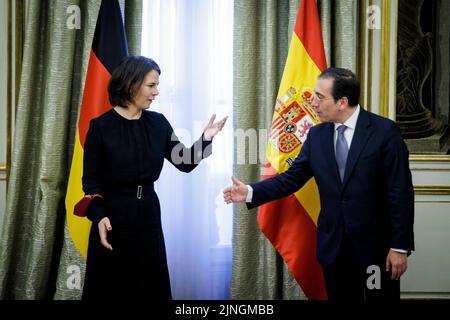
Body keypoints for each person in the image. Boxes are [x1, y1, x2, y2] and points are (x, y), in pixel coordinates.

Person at [224, 67, 414, 300]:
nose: (312, 102)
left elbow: (401, 192)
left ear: (342, 102)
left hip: (376, 251)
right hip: (334, 249)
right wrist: (250, 191)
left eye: (320, 97)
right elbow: (290, 179)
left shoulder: (385, 132)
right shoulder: (316, 136)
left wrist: (399, 247)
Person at [81, 55, 227, 300]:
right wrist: (100, 215)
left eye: (157, 85)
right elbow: (91, 181)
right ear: (130, 84)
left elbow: (185, 162)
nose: (156, 92)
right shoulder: (100, 127)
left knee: (149, 286)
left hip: (148, 213)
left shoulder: (158, 123)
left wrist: (206, 138)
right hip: (113, 218)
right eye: (151, 85)